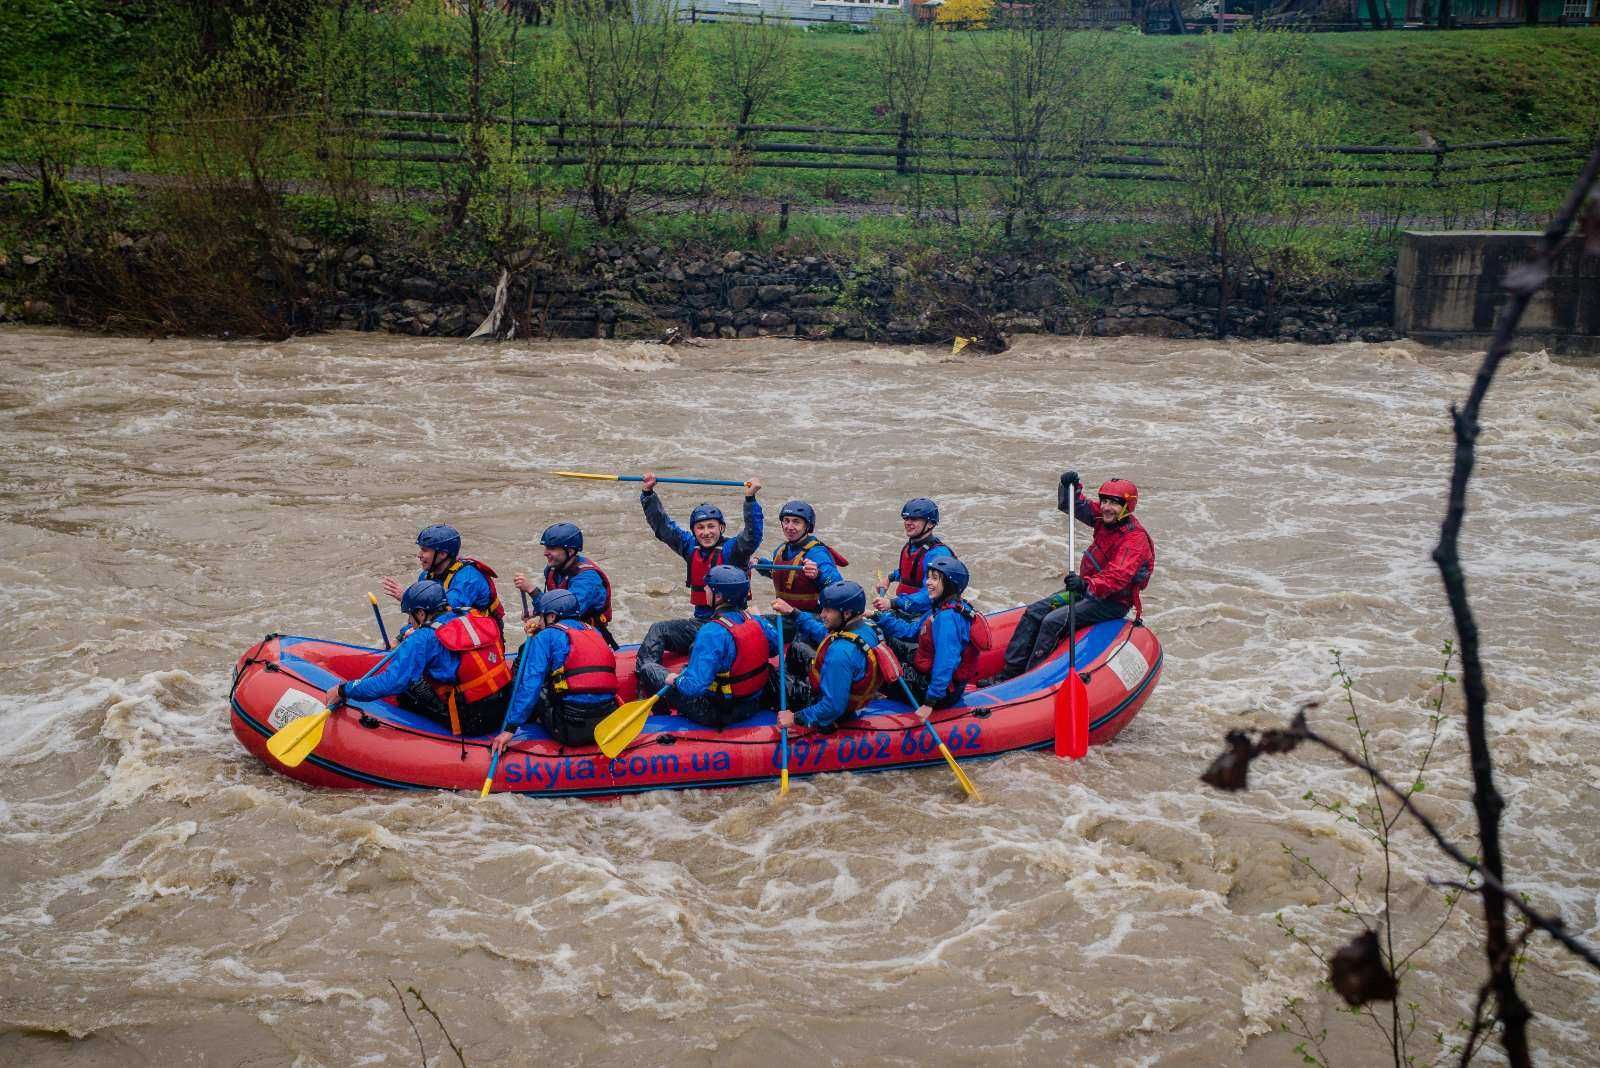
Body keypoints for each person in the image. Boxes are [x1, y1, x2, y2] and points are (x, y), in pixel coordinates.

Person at [998, 472, 1156, 680]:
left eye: (1114, 503)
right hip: (1087, 591)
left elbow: (1117, 577)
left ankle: (1031, 678)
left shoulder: (1134, 540)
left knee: (1053, 621)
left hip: (1111, 601)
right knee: (1035, 612)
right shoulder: (1103, 518)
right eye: (1105, 501)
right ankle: (1009, 674)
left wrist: (1085, 585)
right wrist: (1069, 486)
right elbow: (1072, 506)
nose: (1107, 507)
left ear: (1127, 507)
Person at [326, 579, 512, 736]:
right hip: (502, 707)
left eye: (410, 615)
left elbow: (392, 682)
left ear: (421, 613)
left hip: (471, 721)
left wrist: (344, 690)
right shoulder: (472, 615)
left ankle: (405, 735)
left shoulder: (422, 639)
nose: (409, 621)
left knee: (409, 687)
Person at [635, 472, 764, 676]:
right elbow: (663, 527)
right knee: (658, 629)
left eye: (711, 526)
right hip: (701, 622)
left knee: (703, 645)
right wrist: (648, 494)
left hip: (731, 623)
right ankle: (648, 676)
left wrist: (750, 499)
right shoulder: (689, 547)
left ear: (721, 528)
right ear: (694, 531)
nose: (706, 532)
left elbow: (752, 536)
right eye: (700, 528)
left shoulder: (733, 550)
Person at [637, 565, 780, 729]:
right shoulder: (755, 620)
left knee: (649, 669)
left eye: (708, 587)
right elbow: (774, 648)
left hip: (719, 710)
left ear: (718, 596)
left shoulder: (712, 632)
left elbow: (692, 688)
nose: (704, 588)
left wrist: (674, 679)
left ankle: (660, 721)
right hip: (754, 701)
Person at [491, 589, 620, 753]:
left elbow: (530, 685)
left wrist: (510, 729)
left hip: (572, 729)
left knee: (538, 688)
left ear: (551, 616)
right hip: (607, 721)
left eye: (541, 617)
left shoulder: (545, 637)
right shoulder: (594, 632)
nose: (540, 622)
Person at [875, 557, 982, 722]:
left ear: (950, 584)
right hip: (928, 668)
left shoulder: (947, 619)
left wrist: (929, 702)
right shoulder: (942, 606)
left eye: (935, 578)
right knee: (886, 637)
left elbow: (946, 662)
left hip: (938, 693)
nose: (928, 583)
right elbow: (910, 631)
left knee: (878, 670)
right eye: (928, 577)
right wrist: (878, 618)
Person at [772, 580, 887, 731]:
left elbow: (832, 707)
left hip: (828, 707)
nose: (822, 615)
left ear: (846, 613)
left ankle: (793, 694)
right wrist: (794, 613)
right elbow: (823, 633)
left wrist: (795, 718)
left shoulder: (840, 653)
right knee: (797, 647)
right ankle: (794, 684)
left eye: (828, 610)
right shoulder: (867, 627)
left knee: (770, 676)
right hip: (842, 683)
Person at [381, 524, 505, 633]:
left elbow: (445, 614)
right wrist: (401, 636)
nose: (419, 555)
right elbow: (419, 617)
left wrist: (409, 600)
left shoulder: (468, 579)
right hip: (454, 632)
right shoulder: (426, 576)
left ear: (442, 554)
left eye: (424, 550)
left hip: (483, 639)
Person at [513, 522, 617, 648]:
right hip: (564, 629)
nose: (545, 553)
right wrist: (537, 612)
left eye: (551, 548)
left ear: (570, 551)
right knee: (526, 649)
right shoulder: (552, 569)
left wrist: (532, 590)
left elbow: (565, 612)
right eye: (546, 547)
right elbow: (553, 603)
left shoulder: (587, 580)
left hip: (588, 636)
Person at [872, 497, 957, 620]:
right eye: (906, 518)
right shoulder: (912, 546)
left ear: (930, 524)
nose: (908, 522)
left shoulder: (938, 554)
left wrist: (893, 603)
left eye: (914, 519)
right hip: (906, 610)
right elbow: (909, 572)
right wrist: (889, 578)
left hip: (925, 614)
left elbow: (929, 593)